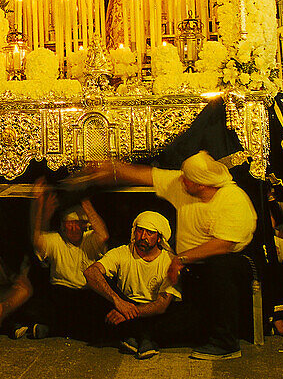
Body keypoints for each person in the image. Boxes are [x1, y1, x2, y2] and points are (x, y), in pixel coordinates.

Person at [88, 150, 257, 360]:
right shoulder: (184, 185)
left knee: (220, 266)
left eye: (187, 180)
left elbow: (222, 245)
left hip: (226, 266)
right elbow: (146, 174)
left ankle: (226, 344)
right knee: (171, 322)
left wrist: (180, 259)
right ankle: (140, 335)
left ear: (202, 184)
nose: (181, 181)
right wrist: (109, 167)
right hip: (192, 270)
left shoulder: (233, 198)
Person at [83, 211, 182, 358]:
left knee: (179, 317)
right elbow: (91, 273)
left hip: (152, 313)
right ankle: (145, 340)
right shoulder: (122, 253)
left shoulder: (169, 261)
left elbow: (161, 305)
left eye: (149, 233)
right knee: (94, 297)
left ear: (159, 238)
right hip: (125, 304)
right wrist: (119, 302)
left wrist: (128, 313)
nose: (143, 237)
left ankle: (136, 337)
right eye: (139, 231)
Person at [27, 182, 108, 339]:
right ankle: (54, 328)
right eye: (70, 224)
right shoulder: (56, 240)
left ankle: (55, 329)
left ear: (85, 226)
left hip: (85, 293)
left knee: (95, 315)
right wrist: (38, 203)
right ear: (63, 227)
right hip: (61, 292)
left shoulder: (89, 240)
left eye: (78, 224)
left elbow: (103, 235)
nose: (73, 228)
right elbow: (37, 239)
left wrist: (84, 200)